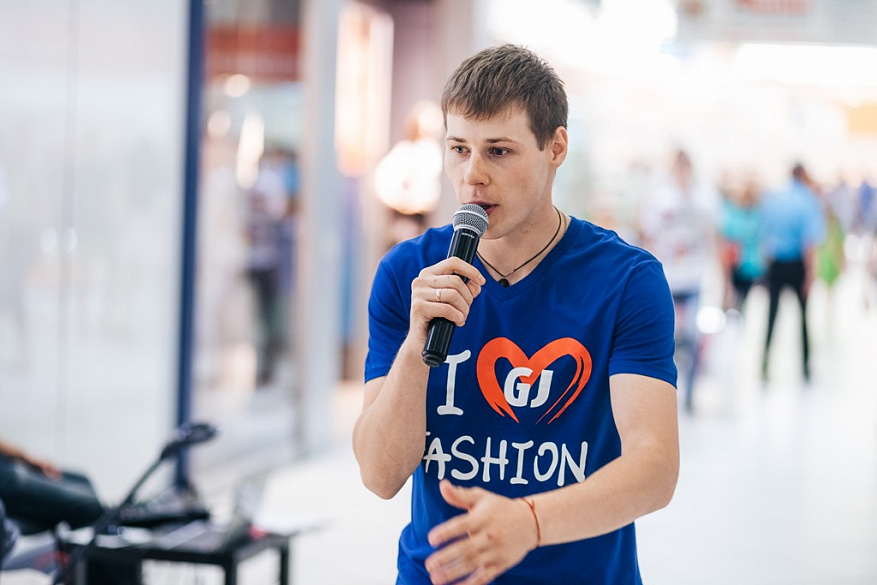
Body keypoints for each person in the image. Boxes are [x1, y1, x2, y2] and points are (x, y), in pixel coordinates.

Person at [353, 44, 679, 585]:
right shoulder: (407, 273)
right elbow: (380, 475)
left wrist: (529, 523)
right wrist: (415, 348)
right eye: (459, 149)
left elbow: (655, 469)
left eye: (499, 151)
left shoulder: (626, 280)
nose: (473, 175)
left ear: (556, 148)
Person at [637, 149, 719, 412]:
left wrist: (719, 275)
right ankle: (664, 392)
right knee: (664, 338)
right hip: (667, 277)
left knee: (694, 337)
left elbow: (711, 237)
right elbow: (647, 235)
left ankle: (690, 393)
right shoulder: (661, 198)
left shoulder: (704, 199)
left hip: (693, 277)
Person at [759, 163, 827, 382]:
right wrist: (810, 274)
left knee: (772, 316)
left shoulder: (774, 199)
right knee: (804, 317)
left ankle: (764, 362)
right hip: (797, 264)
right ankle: (805, 366)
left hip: (777, 264)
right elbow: (810, 243)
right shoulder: (808, 200)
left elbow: (764, 236)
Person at [0, 438, 104, 531]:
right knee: (90, 506)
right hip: (5, 480)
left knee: (83, 481)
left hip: (7, 466)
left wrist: (28, 459)